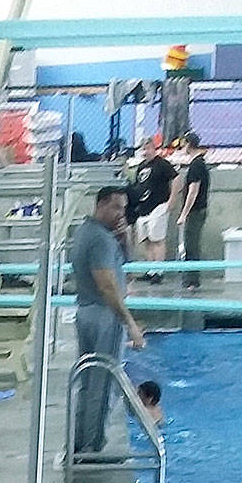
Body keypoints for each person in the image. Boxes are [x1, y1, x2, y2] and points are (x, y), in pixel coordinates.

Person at [70, 187, 146, 457]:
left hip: (85, 311)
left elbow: (121, 262)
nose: (120, 214)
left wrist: (124, 238)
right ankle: (91, 447)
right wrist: (131, 323)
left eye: (123, 209)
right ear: (100, 205)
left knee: (88, 381)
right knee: (102, 384)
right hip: (105, 315)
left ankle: (79, 443)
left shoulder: (85, 232)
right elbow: (107, 285)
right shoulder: (101, 240)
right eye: (115, 208)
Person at [127, 135, 177, 267]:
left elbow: (176, 179)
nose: (145, 152)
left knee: (157, 239)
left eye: (148, 148)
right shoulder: (141, 167)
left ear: (154, 149)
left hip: (159, 205)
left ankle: (158, 270)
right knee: (147, 240)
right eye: (143, 149)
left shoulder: (162, 164)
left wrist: (172, 199)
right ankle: (150, 269)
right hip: (144, 208)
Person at [176, 133, 210, 290]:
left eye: (184, 144)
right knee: (191, 245)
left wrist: (184, 213)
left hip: (195, 211)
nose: (182, 148)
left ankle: (192, 280)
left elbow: (193, 191)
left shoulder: (196, 165)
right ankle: (191, 279)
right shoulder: (198, 163)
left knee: (192, 245)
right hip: (197, 210)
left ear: (189, 144)